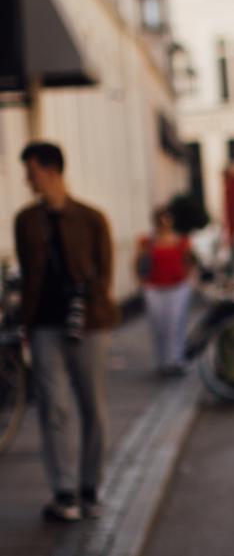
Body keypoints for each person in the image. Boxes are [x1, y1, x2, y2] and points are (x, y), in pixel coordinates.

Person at [14, 142, 119, 522]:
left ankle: (89, 487)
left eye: (32, 170)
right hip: (43, 323)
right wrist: (25, 320)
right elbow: (28, 274)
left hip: (88, 324)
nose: (28, 178)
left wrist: (91, 307)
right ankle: (64, 490)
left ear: (51, 170)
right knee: (53, 407)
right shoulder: (25, 220)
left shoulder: (91, 218)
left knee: (93, 405)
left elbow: (105, 271)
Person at [136, 206, 195, 375]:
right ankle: (162, 360)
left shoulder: (180, 240)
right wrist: (142, 282)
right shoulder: (147, 242)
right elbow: (139, 262)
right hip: (155, 287)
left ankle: (176, 359)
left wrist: (189, 278)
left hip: (177, 286)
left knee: (176, 323)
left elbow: (189, 260)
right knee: (159, 325)